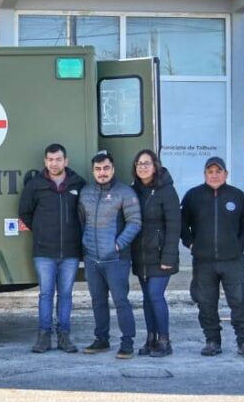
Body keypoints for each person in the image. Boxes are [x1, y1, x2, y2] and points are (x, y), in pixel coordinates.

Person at [180, 156, 244, 358]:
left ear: (226, 174)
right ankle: (212, 341)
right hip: (203, 262)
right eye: (210, 171)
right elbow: (182, 224)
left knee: (240, 301)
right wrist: (191, 243)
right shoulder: (193, 196)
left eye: (218, 171)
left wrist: (239, 246)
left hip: (232, 261)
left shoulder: (238, 196)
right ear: (205, 174)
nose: (214, 175)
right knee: (206, 303)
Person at [18, 143, 87, 354]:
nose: (54, 163)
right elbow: (24, 212)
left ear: (66, 161)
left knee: (65, 294)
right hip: (44, 252)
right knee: (46, 294)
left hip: (70, 252)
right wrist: (41, 232)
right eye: (50, 159)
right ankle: (44, 337)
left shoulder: (78, 184)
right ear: (45, 161)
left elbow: (85, 214)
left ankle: (64, 336)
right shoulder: (35, 185)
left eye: (58, 159)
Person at [78, 149, 142, 358]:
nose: (102, 172)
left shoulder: (125, 192)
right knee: (98, 301)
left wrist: (118, 244)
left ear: (113, 169)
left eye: (106, 168)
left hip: (116, 259)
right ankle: (101, 340)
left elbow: (135, 222)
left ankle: (127, 343)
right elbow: (82, 221)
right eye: (98, 169)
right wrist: (85, 244)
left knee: (121, 301)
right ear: (93, 171)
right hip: (92, 258)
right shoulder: (85, 192)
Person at [129, 149, 180, 358]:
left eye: (147, 163)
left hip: (161, 255)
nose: (142, 167)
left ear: (155, 166)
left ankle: (164, 340)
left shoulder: (166, 190)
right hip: (141, 254)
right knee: (147, 298)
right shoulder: (133, 190)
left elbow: (174, 225)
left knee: (155, 295)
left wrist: (168, 257)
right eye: (139, 163)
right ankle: (151, 338)